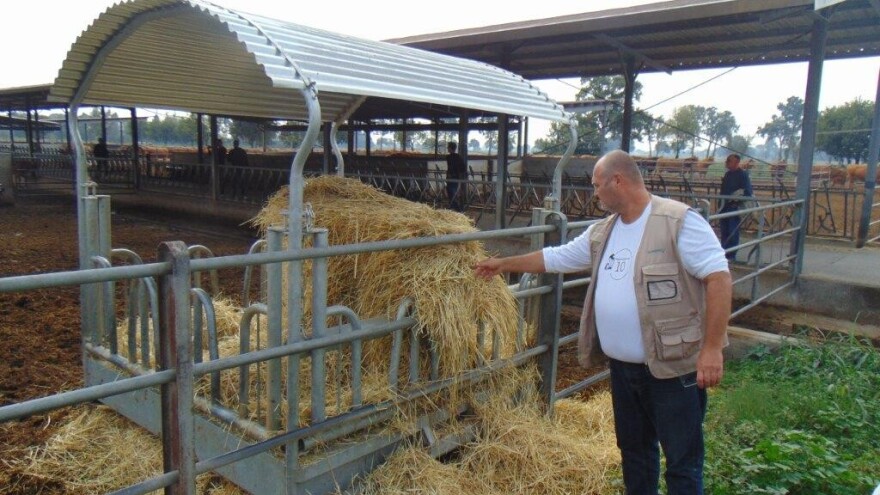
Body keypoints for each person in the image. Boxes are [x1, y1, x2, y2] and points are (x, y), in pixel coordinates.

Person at [474, 149, 732, 494]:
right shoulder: (604, 231)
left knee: (682, 462)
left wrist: (712, 349)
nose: (594, 193)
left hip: (673, 370)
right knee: (635, 454)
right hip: (625, 370)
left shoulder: (678, 221)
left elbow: (719, 278)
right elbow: (559, 256)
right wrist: (505, 265)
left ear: (618, 181)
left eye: (597, 185)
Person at [718, 153, 753, 262]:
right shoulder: (728, 174)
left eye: (729, 161)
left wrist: (736, 199)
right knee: (724, 231)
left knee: (733, 231)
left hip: (734, 207)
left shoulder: (743, 175)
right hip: (724, 206)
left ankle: (731, 255)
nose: (727, 163)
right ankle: (724, 253)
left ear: (736, 162)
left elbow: (747, 192)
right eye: (727, 161)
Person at [445, 141, 468, 212]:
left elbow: (461, 168)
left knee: (452, 194)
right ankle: (454, 210)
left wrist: (456, 173)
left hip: (453, 178)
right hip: (452, 178)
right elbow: (463, 168)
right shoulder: (456, 157)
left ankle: (459, 211)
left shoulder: (450, 157)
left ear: (451, 148)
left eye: (448, 147)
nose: (447, 148)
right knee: (451, 194)